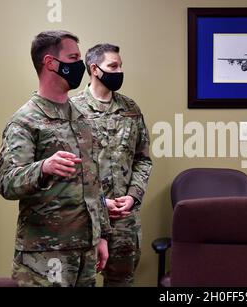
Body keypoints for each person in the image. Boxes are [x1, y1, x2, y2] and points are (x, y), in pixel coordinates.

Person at [0, 30, 112, 287]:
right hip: (45, 254)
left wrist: (102, 236)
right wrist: (43, 167)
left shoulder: (83, 119)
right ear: (50, 63)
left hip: (86, 251)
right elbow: (6, 181)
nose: (80, 65)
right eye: (73, 57)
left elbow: (94, 184)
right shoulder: (25, 121)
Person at [72, 43, 152, 287]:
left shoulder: (130, 110)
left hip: (123, 217)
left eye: (120, 66)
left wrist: (133, 196)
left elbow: (143, 159)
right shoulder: (72, 110)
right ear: (95, 69)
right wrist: (99, 201)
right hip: (84, 215)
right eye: (113, 66)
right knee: (79, 281)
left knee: (121, 281)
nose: (119, 71)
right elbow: (68, 167)